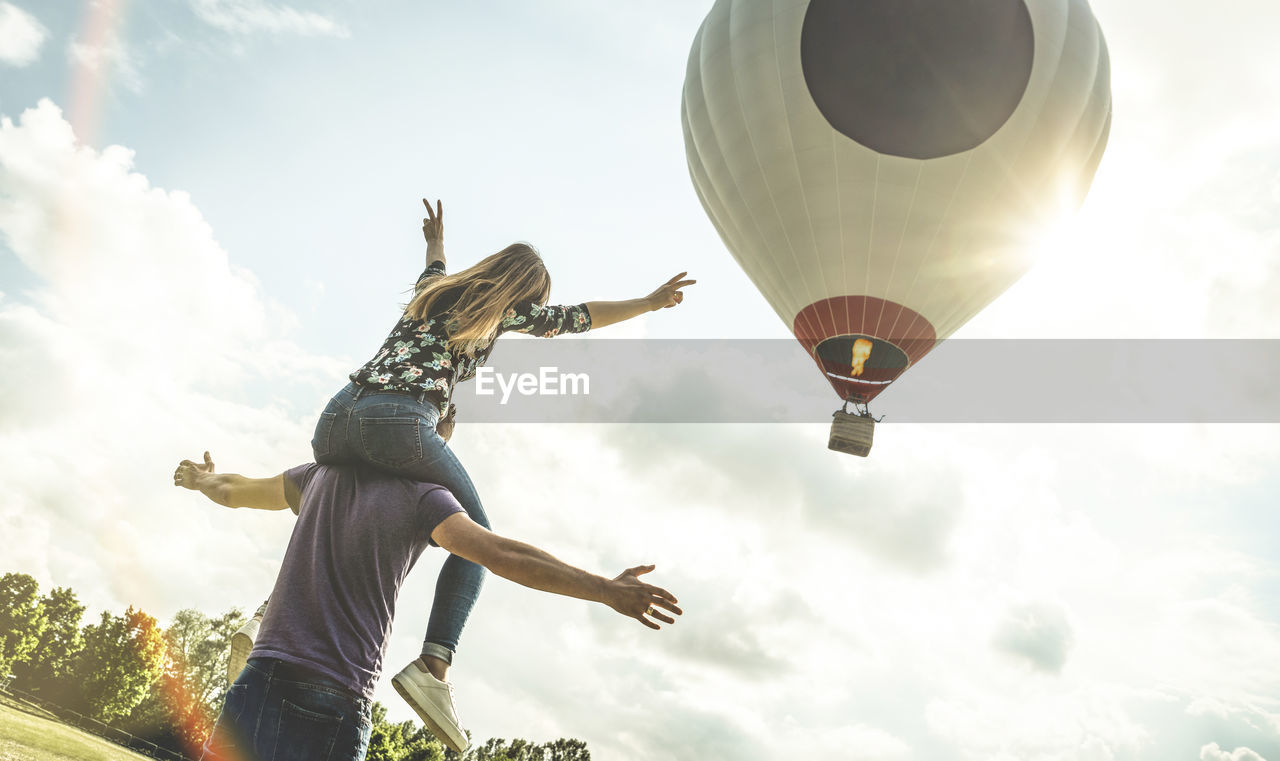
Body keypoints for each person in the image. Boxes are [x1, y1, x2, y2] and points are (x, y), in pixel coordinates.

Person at [308, 198, 694, 739]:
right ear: (524, 292)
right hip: (398, 420)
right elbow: (580, 318)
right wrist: (649, 303)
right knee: (477, 538)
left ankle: (267, 618)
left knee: (333, 502)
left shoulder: (433, 292)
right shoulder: (508, 307)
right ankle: (433, 667)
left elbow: (436, 263)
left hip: (335, 419)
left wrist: (435, 239)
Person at [174, 452, 681, 760]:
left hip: (260, 679)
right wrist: (605, 589)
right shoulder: (425, 497)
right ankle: (434, 664)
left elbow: (232, 490)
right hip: (333, 693)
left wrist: (200, 480)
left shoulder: (316, 477)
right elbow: (502, 554)